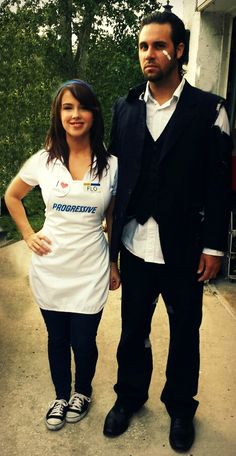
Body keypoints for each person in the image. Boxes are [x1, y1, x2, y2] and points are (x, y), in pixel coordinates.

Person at [103, 11, 232, 453]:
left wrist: (215, 246)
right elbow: (114, 180)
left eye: (159, 45)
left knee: (184, 335)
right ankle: (129, 397)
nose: (149, 54)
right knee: (132, 329)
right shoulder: (125, 108)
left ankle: (180, 408)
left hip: (185, 249)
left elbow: (220, 186)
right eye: (143, 46)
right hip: (135, 244)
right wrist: (109, 247)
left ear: (179, 50)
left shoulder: (210, 109)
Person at [5, 79, 119, 431]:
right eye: (67, 107)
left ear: (93, 113)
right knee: (57, 338)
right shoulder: (43, 161)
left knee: (83, 340)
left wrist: (114, 262)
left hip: (91, 268)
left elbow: (112, 217)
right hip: (51, 267)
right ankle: (60, 395)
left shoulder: (112, 164)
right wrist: (27, 234)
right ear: (58, 113)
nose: (75, 114)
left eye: (82, 107)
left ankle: (81, 392)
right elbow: (12, 196)